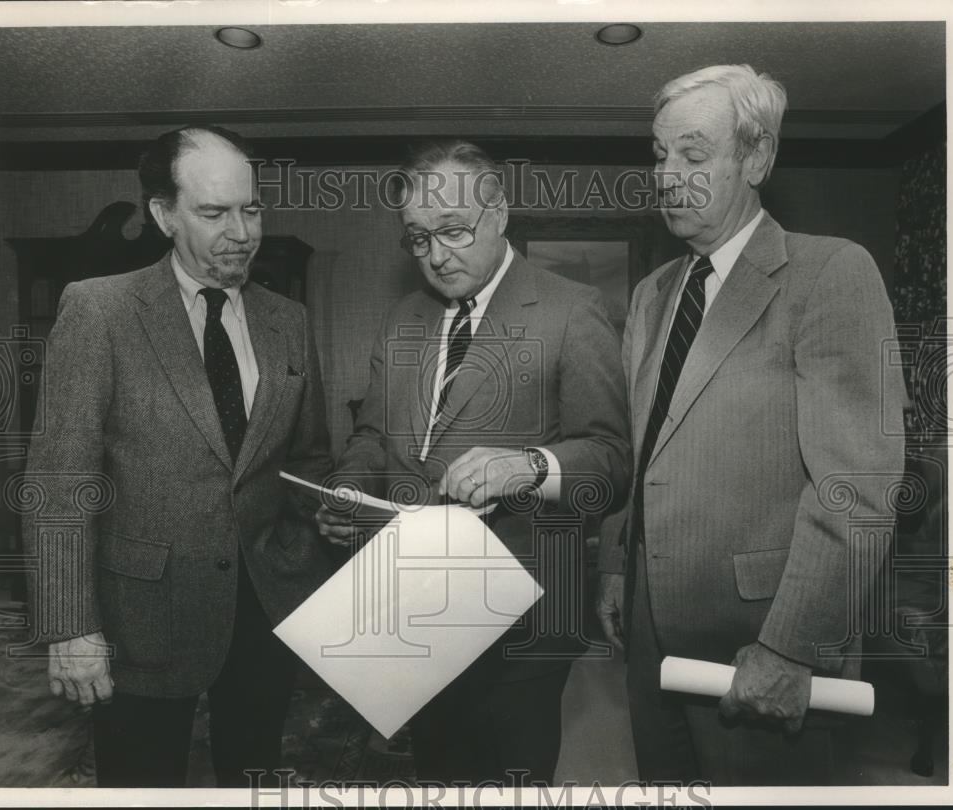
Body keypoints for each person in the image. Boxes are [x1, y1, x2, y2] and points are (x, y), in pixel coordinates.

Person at [596, 65, 906, 785]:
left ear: (757, 157)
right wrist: (617, 568)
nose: (668, 175)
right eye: (659, 154)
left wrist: (792, 648)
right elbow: (644, 450)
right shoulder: (650, 296)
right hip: (648, 634)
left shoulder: (830, 273)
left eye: (694, 155)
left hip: (760, 644)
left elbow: (857, 485)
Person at [22, 125, 333, 787]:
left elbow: (306, 459)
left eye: (251, 210)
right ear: (165, 214)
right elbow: (59, 479)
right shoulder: (100, 310)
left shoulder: (289, 321)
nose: (242, 232)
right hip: (140, 618)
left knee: (252, 777)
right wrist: (70, 627)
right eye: (214, 213)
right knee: (140, 785)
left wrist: (315, 541)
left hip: (264, 612)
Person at [316, 140, 629, 785]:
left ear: (500, 214)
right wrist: (349, 488)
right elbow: (372, 433)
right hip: (418, 602)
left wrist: (532, 466)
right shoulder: (404, 317)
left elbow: (610, 459)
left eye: (453, 231)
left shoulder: (573, 311)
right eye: (418, 239)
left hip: (526, 614)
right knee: (440, 770)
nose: (436, 256)